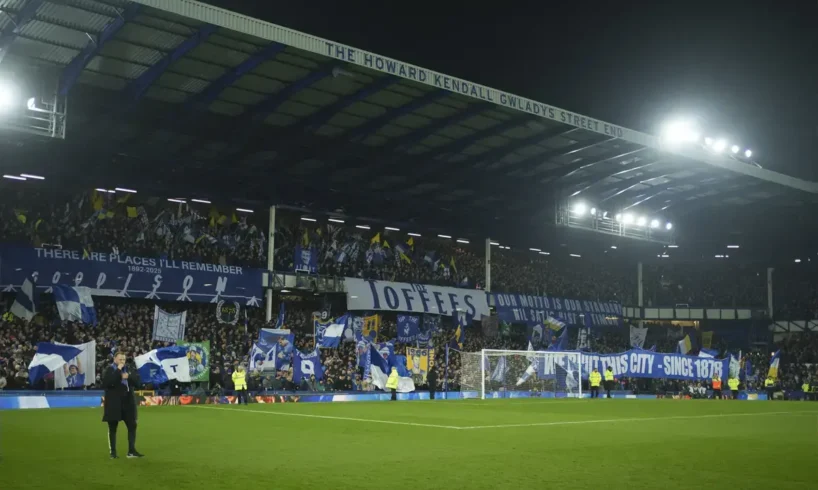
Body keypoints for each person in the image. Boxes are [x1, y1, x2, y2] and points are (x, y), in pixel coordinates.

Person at [102, 352, 143, 459]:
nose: (122, 362)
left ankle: (131, 451)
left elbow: (138, 383)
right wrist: (118, 370)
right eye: (120, 359)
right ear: (115, 359)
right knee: (113, 427)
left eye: (124, 359)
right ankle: (113, 453)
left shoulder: (128, 369)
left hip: (128, 402)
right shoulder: (110, 369)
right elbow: (107, 383)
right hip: (114, 403)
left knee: (132, 425)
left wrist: (128, 377)